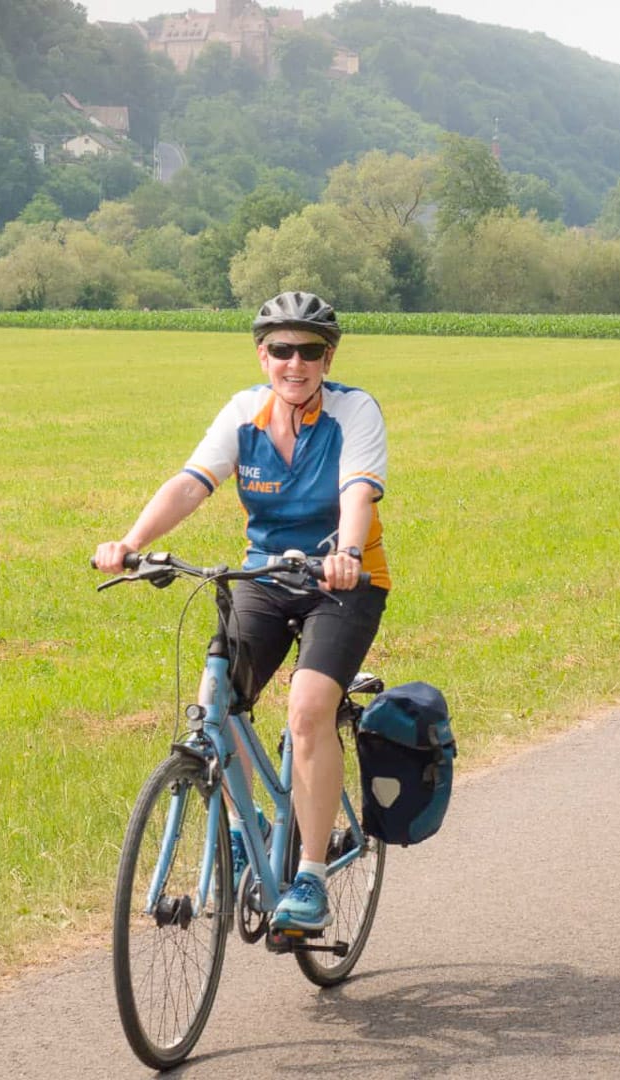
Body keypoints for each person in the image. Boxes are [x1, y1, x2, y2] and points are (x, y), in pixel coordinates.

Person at [93, 291, 389, 933]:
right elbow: (191, 482)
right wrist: (132, 543)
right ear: (262, 354)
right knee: (215, 700)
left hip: (344, 580)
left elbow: (357, 491)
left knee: (308, 708)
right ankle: (246, 823)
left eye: (309, 350)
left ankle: (309, 876)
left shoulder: (353, 410)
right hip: (265, 575)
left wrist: (344, 550)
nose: (295, 362)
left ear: (327, 356)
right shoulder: (242, 414)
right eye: (281, 349)